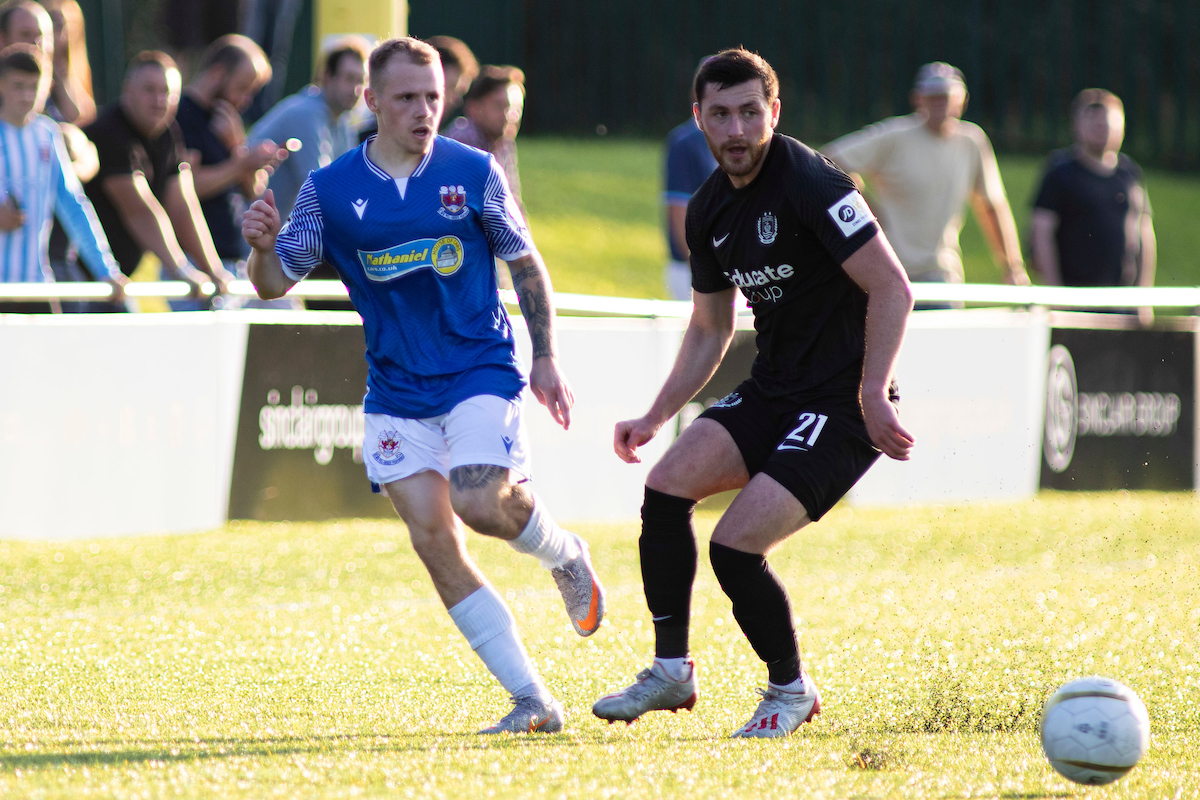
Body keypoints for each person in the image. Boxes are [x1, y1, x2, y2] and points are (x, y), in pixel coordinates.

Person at [242, 37, 606, 735]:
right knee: (435, 539)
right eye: (407, 97)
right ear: (373, 101)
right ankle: (532, 700)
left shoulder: (473, 171)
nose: (423, 110)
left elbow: (526, 263)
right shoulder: (328, 189)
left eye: (433, 96)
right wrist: (261, 249)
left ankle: (564, 554)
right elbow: (274, 282)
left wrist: (546, 357)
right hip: (396, 391)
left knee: (478, 501)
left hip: (478, 368)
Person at [591, 48, 914, 739]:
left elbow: (893, 287)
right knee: (666, 487)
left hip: (843, 404)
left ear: (774, 112)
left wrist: (873, 392)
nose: (736, 130)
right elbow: (711, 328)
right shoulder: (708, 207)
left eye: (749, 112)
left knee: (734, 546)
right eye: (720, 114)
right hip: (775, 389)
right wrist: (655, 414)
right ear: (698, 118)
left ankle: (790, 690)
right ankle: (671, 672)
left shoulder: (813, 182)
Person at [823, 62, 1029, 303]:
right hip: (890, 271)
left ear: (962, 100)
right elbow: (830, 161)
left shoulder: (972, 141)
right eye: (932, 96)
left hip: (942, 273)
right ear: (917, 99)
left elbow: (991, 205)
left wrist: (1012, 267)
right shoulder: (894, 135)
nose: (939, 103)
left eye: (946, 96)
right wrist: (867, 212)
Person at [82, 50, 230, 306]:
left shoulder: (168, 132)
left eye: (168, 92)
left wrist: (213, 270)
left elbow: (183, 205)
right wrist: (181, 269)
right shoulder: (108, 132)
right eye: (149, 90)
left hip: (113, 279)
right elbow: (139, 211)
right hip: (77, 275)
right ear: (127, 90)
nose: (159, 100)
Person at [0, 44, 125, 313]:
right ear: (2, 85)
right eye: (18, 86)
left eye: (34, 87)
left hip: (37, 285)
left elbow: (73, 204)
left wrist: (106, 270)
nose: (26, 95)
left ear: (48, 87)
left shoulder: (47, 134)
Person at [1030, 89, 1155, 323]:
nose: (1101, 128)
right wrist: (1055, 295)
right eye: (1093, 122)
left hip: (1121, 301)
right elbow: (1041, 233)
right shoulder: (1060, 172)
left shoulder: (1130, 173)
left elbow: (1144, 232)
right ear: (1076, 126)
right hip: (1074, 301)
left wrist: (1143, 297)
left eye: (1107, 122)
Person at [175, 34, 284, 279]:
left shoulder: (226, 118)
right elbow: (186, 187)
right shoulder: (183, 116)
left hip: (233, 259)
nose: (245, 100)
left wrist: (237, 146)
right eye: (242, 88)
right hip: (195, 263)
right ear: (217, 74)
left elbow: (253, 190)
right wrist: (241, 163)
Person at [249, 36, 368, 221]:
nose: (356, 90)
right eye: (349, 79)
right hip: (250, 228)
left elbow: (351, 182)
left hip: (277, 229)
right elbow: (321, 189)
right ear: (327, 77)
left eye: (361, 81)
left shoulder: (343, 121)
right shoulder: (306, 113)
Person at [662, 60, 718, 300]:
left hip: (729, 268)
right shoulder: (685, 142)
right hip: (693, 271)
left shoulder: (732, 138)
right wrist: (700, 270)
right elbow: (678, 209)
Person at [357, 34, 477, 144]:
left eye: (431, 96)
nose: (456, 100)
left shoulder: (456, 152)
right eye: (407, 97)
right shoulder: (359, 145)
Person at [444, 65, 526, 216]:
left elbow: (513, 202)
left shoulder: (505, 142)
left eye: (517, 108)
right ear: (474, 109)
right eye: (500, 106)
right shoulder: (463, 140)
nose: (512, 116)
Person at [0, 0, 87, 123]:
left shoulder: (54, 78)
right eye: (25, 34)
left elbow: (77, 118)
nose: (35, 43)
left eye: (41, 36)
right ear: (2, 39)